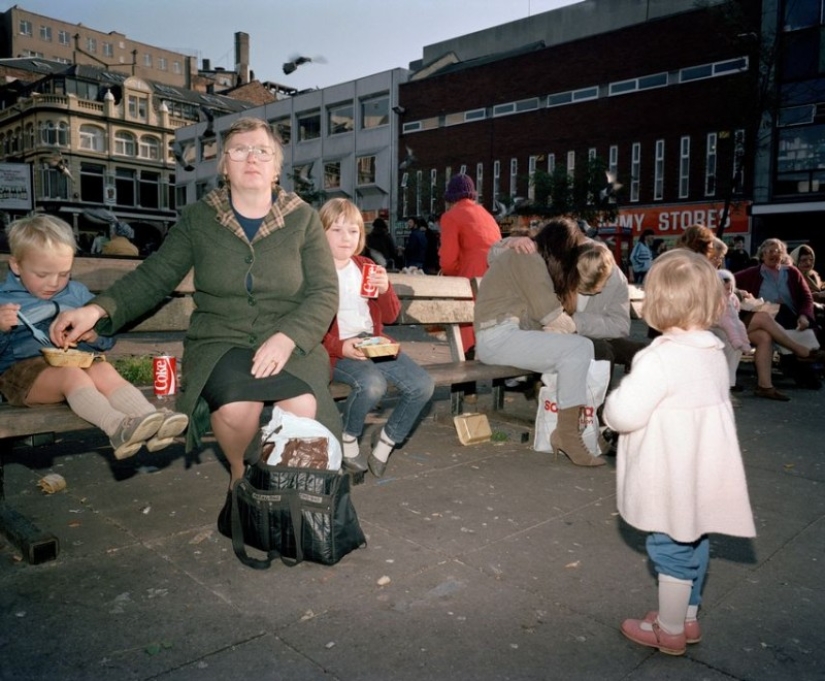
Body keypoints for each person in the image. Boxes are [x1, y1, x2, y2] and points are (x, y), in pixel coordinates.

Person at [49, 117, 341, 528]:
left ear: (277, 168)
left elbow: (325, 292)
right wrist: (96, 310)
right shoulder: (199, 218)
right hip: (222, 339)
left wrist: (287, 337)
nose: (251, 157)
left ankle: (279, 489)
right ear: (225, 165)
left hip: (289, 340)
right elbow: (155, 276)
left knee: (303, 406)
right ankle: (242, 481)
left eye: (263, 151)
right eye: (240, 149)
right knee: (239, 407)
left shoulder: (303, 219)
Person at [603, 249, 755, 656]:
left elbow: (626, 411)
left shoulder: (660, 356)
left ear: (656, 302)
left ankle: (668, 630)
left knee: (668, 546)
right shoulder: (712, 351)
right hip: (703, 469)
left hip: (671, 471)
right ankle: (685, 615)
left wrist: (608, 411)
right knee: (694, 540)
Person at [0, 215, 188, 459]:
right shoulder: (4, 301)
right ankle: (117, 428)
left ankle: (150, 421)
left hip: (77, 363)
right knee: (73, 374)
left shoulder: (77, 294)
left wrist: (93, 336)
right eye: (42, 274)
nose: (54, 283)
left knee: (103, 369)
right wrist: (2, 329)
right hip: (22, 375)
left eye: (64, 274)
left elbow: (107, 339)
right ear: (16, 266)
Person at [474, 217, 614, 467]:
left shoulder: (529, 257)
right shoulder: (529, 258)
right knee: (580, 347)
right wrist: (576, 327)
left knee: (576, 351)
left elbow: (546, 318)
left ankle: (573, 431)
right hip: (497, 337)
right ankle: (569, 435)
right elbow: (550, 316)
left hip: (502, 336)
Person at [320, 198, 434, 478]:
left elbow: (392, 315)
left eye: (353, 231)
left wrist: (385, 289)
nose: (346, 238)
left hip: (370, 342)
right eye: (336, 230)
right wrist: (340, 347)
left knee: (421, 384)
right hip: (334, 349)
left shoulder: (364, 266)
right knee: (372, 384)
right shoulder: (316, 270)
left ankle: (386, 440)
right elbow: (307, 325)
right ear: (320, 232)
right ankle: (348, 437)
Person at [736, 238, 822, 394]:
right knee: (773, 325)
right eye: (769, 251)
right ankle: (794, 358)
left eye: (778, 251)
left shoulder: (792, 272)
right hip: (768, 316)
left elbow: (806, 297)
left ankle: (792, 362)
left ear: (783, 255)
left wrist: (804, 315)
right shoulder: (752, 273)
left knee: (811, 382)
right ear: (762, 255)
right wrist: (739, 294)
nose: (773, 254)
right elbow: (727, 280)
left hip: (791, 316)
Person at [439, 174, 502, 355]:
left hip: (470, 277)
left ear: (450, 197)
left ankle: (465, 381)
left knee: (466, 337)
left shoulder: (451, 216)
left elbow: (448, 260)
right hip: (495, 278)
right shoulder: (487, 215)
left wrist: (449, 274)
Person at [714, 269, 754, 395]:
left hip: (729, 321)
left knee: (738, 329)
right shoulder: (714, 295)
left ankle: (729, 382)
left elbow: (737, 305)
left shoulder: (731, 296)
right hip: (713, 322)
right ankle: (725, 384)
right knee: (730, 337)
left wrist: (741, 295)